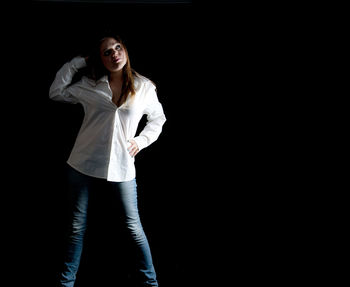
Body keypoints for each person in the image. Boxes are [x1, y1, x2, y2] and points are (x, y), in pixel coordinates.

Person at [49, 33, 166, 287]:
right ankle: (66, 283)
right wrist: (79, 62)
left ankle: (151, 283)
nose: (114, 54)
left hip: (123, 167)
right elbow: (55, 92)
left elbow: (158, 119)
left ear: (125, 50)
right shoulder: (90, 86)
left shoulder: (144, 86)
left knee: (134, 228)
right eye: (106, 52)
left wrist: (141, 141)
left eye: (117, 47)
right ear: (100, 59)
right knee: (76, 228)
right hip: (83, 163)